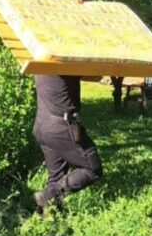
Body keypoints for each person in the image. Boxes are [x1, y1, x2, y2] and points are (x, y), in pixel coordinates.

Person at [32, 74, 103, 211]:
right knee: (93, 169)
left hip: (42, 125)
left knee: (56, 178)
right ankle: (46, 196)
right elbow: (96, 76)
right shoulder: (62, 58)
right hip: (61, 128)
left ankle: (49, 215)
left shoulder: (41, 58)